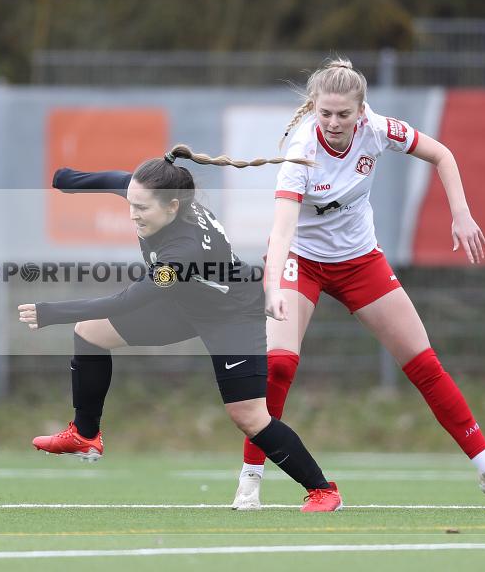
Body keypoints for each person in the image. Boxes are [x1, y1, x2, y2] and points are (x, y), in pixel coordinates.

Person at [232, 57, 485, 510]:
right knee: (278, 365)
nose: (334, 123)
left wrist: (461, 214)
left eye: (344, 114)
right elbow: (280, 233)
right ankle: (250, 479)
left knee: (425, 365)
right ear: (314, 108)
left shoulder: (379, 129)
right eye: (325, 113)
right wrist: (273, 286)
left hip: (360, 262)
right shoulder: (300, 153)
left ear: (361, 111)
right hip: (302, 260)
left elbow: (442, 155)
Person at [18, 145, 342, 512]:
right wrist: (65, 180)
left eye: (141, 209)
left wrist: (51, 312)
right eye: (131, 203)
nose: (132, 214)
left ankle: (322, 490)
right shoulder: (156, 194)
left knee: (249, 417)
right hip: (189, 304)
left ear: (172, 208)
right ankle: (85, 434)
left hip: (232, 315)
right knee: (91, 332)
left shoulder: (182, 251)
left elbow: (128, 301)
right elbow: (113, 181)